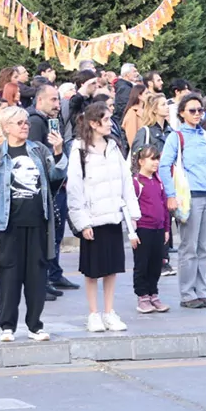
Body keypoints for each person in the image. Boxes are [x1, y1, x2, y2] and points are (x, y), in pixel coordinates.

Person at [0, 106, 66, 343]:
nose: (25, 126)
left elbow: (56, 179)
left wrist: (58, 153)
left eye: (26, 122)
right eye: (19, 123)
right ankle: (7, 326)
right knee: (9, 276)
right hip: (8, 225)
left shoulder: (38, 150)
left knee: (36, 276)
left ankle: (35, 325)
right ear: (6, 128)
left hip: (37, 223)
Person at [67, 101, 140, 333]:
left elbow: (126, 182)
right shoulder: (79, 149)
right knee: (92, 270)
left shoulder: (113, 147)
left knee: (111, 268)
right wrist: (82, 222)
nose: (110, 123)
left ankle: (109, 312)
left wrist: (132, 215)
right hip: (92, 217)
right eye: (106, 119)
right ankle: (93, 313)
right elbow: (75, 188)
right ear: (93, 123)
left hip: (113, 215)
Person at [159, 92, 206, 310]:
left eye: (200, 110)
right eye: (192, 111)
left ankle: (201, 291)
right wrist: (171, 195)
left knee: (204, 247)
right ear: (182, 114)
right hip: (189, 197)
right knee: (189, 248)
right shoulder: (176, 137)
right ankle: (187, 294)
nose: (197, 114)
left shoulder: (205, 135)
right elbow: (164, 167)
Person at [26, 83, 78, 297]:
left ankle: (54, 273)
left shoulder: (51, 120)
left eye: (58, 99)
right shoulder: (36, 121)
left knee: (56, 233)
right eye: (53, 100)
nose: (58, 104)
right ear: (40, 101)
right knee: (49, 234)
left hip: (58, 182)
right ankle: (44, 278)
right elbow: (40, 155)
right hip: (46, 186)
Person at [131, 145, 171, 314]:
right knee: (142, 263)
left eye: (157, 159)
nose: (155, 162)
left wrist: (167, 228)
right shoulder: (136, 182)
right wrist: (132, 232)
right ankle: (142, 296)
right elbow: (130, 209)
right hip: (143, 229)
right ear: (141, 161)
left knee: (156, 263)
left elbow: (164, 205)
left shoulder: (158, 181)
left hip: (159, 228)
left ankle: (154, 293)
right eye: (151, 159)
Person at [120, 83, 147, 147]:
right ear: (139, 96)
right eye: (146, 93)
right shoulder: (132, 113)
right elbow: (132, 137)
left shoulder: (145, 110)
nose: (149, 95)